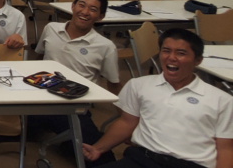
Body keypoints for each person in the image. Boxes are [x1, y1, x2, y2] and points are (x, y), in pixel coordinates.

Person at [84, 28, 233, 168]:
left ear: (198, 60)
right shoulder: (138, 85)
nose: (171, 57)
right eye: (166, 51)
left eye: (181, 53)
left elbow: (226, 148)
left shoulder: (222, 100)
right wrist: (97, 148)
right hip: (143, 159)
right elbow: (126, 122)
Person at [27, 0, 120, 166]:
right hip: (40, 98)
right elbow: (37, 58)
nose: (85, 12)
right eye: (81, 5)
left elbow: (114, 84)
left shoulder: (105, 46)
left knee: (102, 159)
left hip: (72, 105)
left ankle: (68, 140)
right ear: (73, 6)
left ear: (100, 17)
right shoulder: (51, 28)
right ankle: (62, 138)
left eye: (93, 9)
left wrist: (125, 119)